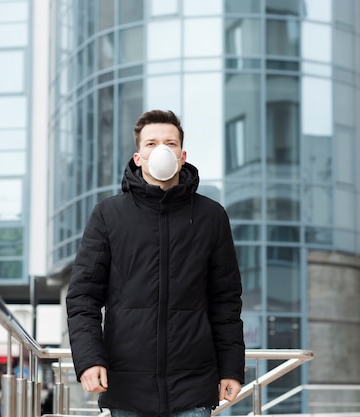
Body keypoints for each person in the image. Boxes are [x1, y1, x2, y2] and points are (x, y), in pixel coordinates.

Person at [66, 109, 245, 417]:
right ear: (138, 156)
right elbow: (83, 296)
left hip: (193, 388)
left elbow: (225, 301)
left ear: (182, 155)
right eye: (151, 143)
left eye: (170, 142)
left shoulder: (211, 217)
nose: (161, 149)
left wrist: (231, 368)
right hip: (126, 388)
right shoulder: (108, 215)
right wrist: (89, 359)